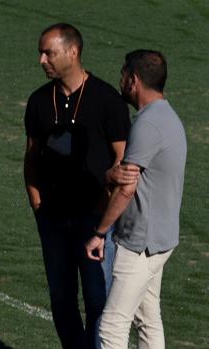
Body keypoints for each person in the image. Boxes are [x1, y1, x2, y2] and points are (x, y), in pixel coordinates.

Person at [23, 23, 132, 348]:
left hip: (94, 218)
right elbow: (31, 155)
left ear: (73, 52)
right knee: (61, 298)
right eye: (41, 53)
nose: (42, 60)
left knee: (99, 298)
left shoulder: (107, 100)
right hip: (53, 217)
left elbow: (122, 160)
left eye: (49, 53)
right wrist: (37, 202)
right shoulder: (40, 101)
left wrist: (103, 213)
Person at [86, 50, 187, 349]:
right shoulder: (166, 116)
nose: (121, 81)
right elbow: (128, 176)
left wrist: (99, 232)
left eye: (123, 75)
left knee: (112, 326)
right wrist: (112, 175)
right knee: (147, 320)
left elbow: (127, 187)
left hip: (140, 243)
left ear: (134, 80)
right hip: (160, 239)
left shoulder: (147, 124)